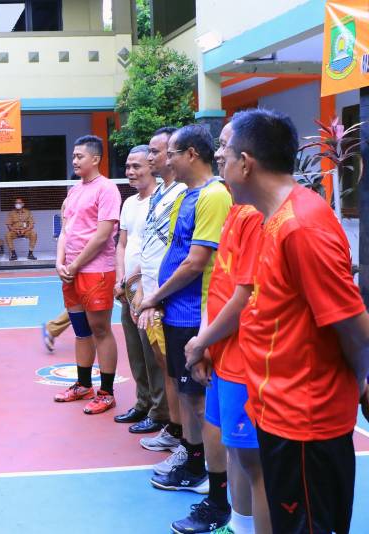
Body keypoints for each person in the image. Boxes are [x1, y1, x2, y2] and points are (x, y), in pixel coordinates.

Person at [223, 108, 369, 534]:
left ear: (245, 163)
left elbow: (354, 326)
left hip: (305, 424)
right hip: (279, 413)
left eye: (224, 157)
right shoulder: (274, 219)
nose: (221, 167)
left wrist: (362, 379)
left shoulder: (301, 228)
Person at [173, 122, 269, 534]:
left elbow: (245, 295)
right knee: (237, 452)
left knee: (254, 461)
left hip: (246, 358)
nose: (219, 154)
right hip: (222, 351)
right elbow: (220, 285)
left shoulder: (259, 217)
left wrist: (201, 342)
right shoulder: (234, 210)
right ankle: (237, 523)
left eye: (225, 146)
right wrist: (206, 342)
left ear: (247, 160)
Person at [139, 124, 231, 494]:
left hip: (196, 315)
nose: (165, 160)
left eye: (172, 153)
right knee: (189, 397)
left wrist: (154, 296)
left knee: (201, 401)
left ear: (191, 154)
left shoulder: (214, 196)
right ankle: (194, 465)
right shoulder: (186, 196)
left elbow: (196, 262)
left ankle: (213, 474)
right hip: (178, 313)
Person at [53, 135, 121, 414]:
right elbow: (65, 231)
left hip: (96, 271)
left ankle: (107, 392)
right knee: (81, 332)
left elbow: (103, 235)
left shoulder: (107, 189)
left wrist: (76, 265)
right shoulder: (73, 191)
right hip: (71, 272)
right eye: (73, 156)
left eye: (80, 156)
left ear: (95, 159)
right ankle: (83, 385)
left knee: (100, 330)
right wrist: (60, 262)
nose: (75, 160)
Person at [132, 127, 187, 461]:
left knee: (178, 371)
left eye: (156, 151)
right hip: (151, 292)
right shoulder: (160, 193)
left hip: (169, 298)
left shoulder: (183, 193)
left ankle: (188, 439)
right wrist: (141, 286)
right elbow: (152, 245)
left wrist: (156, 295)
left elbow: (181, 251)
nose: (150, 156)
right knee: (165, 366)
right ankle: (175, 428)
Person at [112, 145, 167, 434]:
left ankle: (160, 412)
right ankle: (143, 402)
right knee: (135, 351)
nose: (131, 172)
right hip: (128, 290)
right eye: (128, 167)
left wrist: (138, 283)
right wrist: (121, 279)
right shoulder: (129, 203)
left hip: (149, 291)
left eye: (137, 166)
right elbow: (122, 244)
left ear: (152, 166)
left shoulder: (163, 201)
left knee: (152, 353)